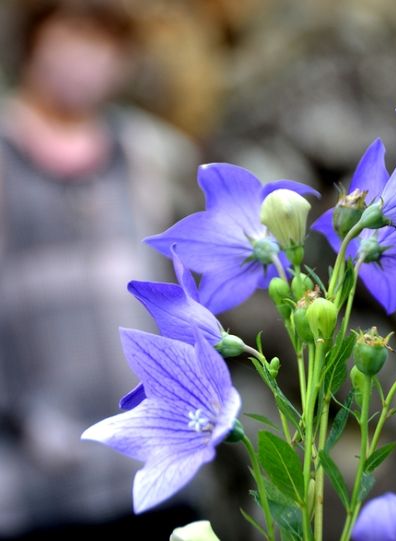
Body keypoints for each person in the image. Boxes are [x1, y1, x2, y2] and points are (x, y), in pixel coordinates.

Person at [0, 1, 200, 538]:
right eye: (74, 32)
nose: (88, 57)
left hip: (154, 467)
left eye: (107, 40)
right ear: (36, 36)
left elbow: (189, 289)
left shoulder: (155, 154)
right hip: (27, 484)